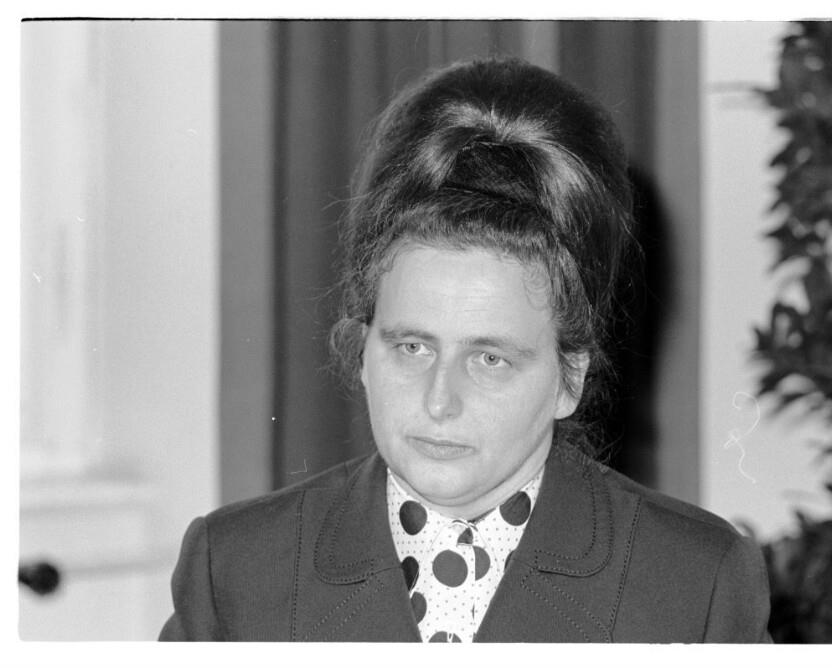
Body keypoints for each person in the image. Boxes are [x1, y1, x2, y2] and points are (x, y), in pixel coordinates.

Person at [160, 57, 771, 643]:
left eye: (489, 359)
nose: (439, 402)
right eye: (412, 347)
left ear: (569, 377)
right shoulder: (235, 570)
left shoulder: (696, 585)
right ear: (363, 349)